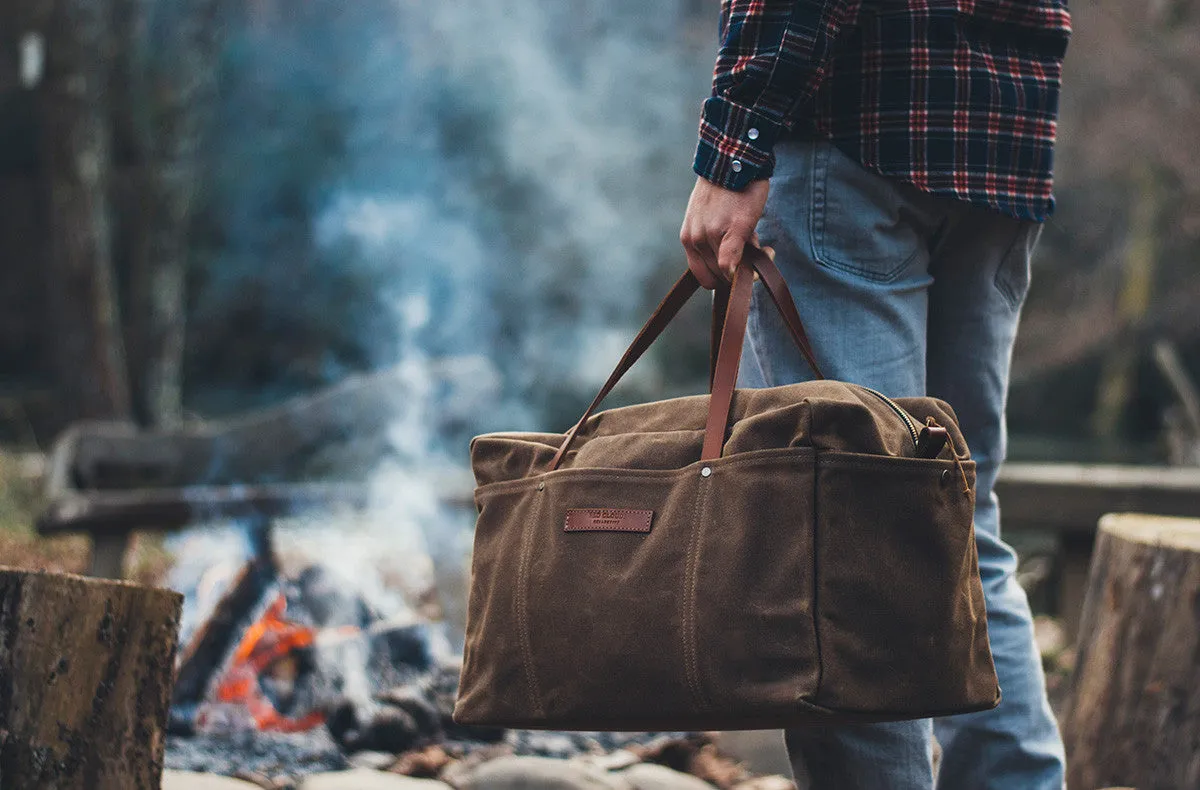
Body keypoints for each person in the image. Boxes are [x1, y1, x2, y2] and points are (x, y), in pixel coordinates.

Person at [680, 1, 1072, 788]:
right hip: (1002, 135)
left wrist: (735, 147)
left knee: (839, 541)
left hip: (859, 129)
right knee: (955, 520)